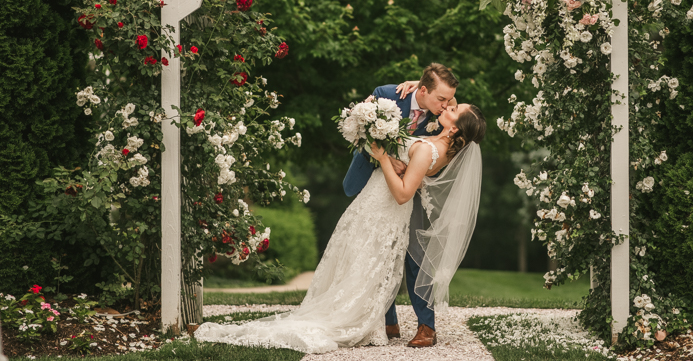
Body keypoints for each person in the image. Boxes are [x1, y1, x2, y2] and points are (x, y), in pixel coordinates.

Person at [194, 98, 486, 354]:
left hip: (383, 208)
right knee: (360, 261)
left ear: (456, 129)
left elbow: (402, 195)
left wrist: (383, 157)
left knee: (361, 260)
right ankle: (372, 319)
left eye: (455, 108)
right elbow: (421, 159)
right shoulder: (442, 146)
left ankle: (351, 318)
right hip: (377, 204)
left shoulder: (428, 149)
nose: (450, 105)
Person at [341, 63, 459, 347]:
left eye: (448, 100)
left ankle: (426, 326)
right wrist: (386, 160)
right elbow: (360, 133)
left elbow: (455, 109)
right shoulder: (387, 95)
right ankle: (387, 319)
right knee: (379, 249)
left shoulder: (444, 113)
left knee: (415, 254)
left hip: (412, 188)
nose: (445, 106)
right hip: (376, 181)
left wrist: (436, 99)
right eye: (440, 99)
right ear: (422, 91)